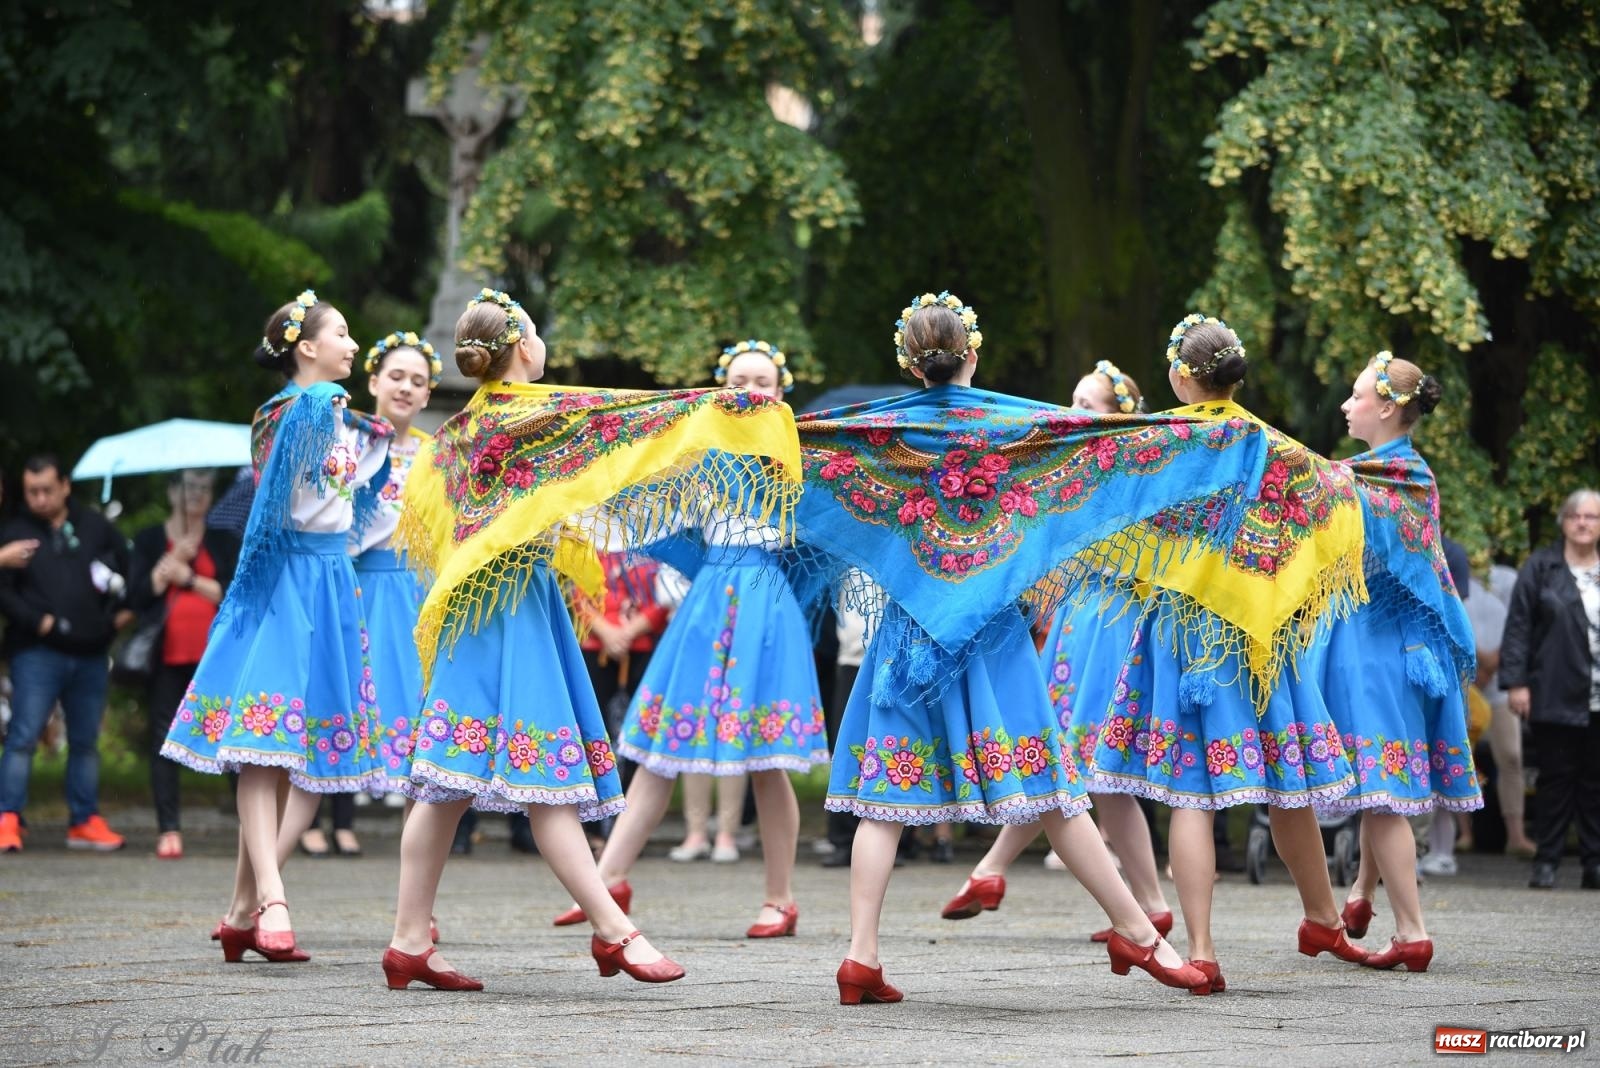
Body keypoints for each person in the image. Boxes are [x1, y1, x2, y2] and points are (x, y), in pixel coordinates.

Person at [796, 292, 1266, 1002]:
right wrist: (1225, 439)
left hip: (907, 636)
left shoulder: (871, 431)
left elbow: (788, 443)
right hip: (990, 633)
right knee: (1053, 790)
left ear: (907, 361)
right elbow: (1112, 448)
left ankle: (861, 957)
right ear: (974, 355)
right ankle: (1140, 934)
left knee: (883, 802)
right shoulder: (1016, 424)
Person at [385, 290, 802, 990]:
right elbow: (637, 420)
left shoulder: (458, 430)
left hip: (471, 606)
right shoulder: (543, 412)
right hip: (513, 607)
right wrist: (731, 411)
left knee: (444, 785)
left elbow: (436, 518)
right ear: (523, 349)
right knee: (544, 784)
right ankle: (615, 930)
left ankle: (407, 941)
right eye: (538, 336)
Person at [1088, 313, 1372, 994]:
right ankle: (1321, 917)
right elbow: (1340, 495)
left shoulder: (1159, 442)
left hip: (1180, 631)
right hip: (1254, 633)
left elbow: (1104, 505)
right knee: (1286, 779)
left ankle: (1204, 949)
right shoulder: (1270, 446)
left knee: (1192, 787)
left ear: (1180, 376)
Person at [554, 339, 827, 939]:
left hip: (765, 602)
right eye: (738, 380)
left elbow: (825, 539)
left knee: (766, 757)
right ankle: (608, 878)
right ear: (720, 390)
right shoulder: (697, 452)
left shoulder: (804, 454)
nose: (750, 390)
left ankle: (780, 898)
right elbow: (650, 502)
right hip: (709, 599)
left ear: (781, 393)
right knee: (657, 748)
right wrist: (573, 499)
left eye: (762, 380)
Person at [160, 289, 393, 961]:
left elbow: (352, 511)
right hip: (291, 582)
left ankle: (241, 912)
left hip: (326, 584)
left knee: (301, 760)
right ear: (307, 348)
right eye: (342, 333)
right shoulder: (304, 410)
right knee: (267, 752)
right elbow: (276, 511)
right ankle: (274, 898)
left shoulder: (329, 417)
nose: (353, 344)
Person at [942, 359, 1173, 940]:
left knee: (1073, 761)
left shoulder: (1126, 473)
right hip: (1079, 620)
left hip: (1110, 622)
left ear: (1117, 417)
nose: (1073, 413)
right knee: (1080, 767)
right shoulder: (1083, 471)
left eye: (1087, 406)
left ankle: (993, 869)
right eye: (1071, 400)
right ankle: (1146, 902)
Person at [1319, 352, 1482, 972]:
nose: (1345, 404)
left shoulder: (1375, 477)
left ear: (1387, 407)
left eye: (1356, 395)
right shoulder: (1402, 472)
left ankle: (1411, 930)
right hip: (1392, 645)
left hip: (1377, 650)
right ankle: (1360, 896)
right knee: (1377, 777)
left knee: (1383, 790)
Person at [296, 329, 440, 860]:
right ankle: (260, 894)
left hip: (420, 599)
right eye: (396, 377)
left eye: (418, 382)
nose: (405, 388)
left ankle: (415, 907)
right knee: (330, 733)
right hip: (357, 592)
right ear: (373, 381)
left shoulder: (438, 455)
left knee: (420, 757)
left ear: (428, 396)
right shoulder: (347, 444)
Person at [0, 455, 131, 853]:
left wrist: (120, 617)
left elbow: (128, 569)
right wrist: (35, 620)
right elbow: (3, 590)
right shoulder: (15, 531)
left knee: (85, 740)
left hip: (91, 652)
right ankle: (8, 818)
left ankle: (84, 820)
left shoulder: (94, 525)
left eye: (46, 490)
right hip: (36, 652)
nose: (38, 499)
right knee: (23, 735)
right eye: (31, 492)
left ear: (65, 485)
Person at [127, 470, 239, 860]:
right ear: (173, 490)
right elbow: (137, 597)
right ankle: (169, 829)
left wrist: (189, 577)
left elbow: (233, 592)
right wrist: (170, 564)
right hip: (166, 657)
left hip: (215, 659)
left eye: (205, 488)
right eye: (190, 486)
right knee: (162, 740)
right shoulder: (149, 540)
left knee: (228, 740)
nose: (198, 495)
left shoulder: (223, 540)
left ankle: (248, 828)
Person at [1501, 487, 1600, 889]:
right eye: (1575, 516)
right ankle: (1547, 861)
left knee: (1596, 782)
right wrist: (1517, 683)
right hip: (1554, 689)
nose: (1582, 523)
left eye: (1591, 517)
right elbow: (1519, 627)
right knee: (1556, 779)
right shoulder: (1541, 568)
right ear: (1562, 522)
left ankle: (1595, 864)